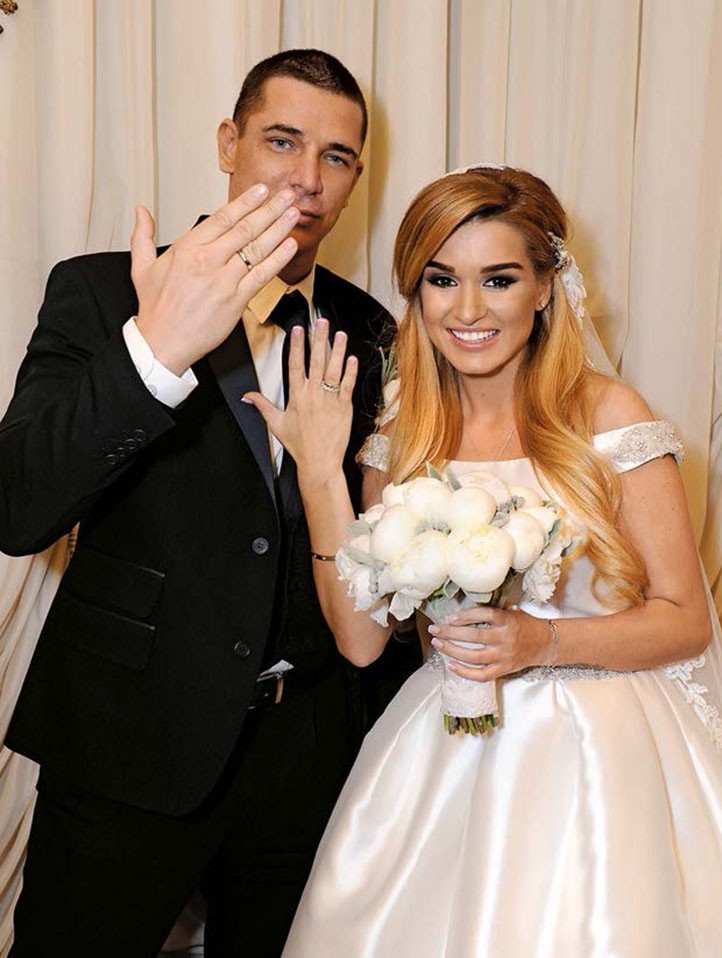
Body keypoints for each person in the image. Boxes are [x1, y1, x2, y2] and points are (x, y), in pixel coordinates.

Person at [243, 166, 722, 956]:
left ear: (544, 287)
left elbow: (685, 620)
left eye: (498, 279)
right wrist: (321, 471)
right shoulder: (402, 439)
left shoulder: (608, 415)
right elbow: (361, 643)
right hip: (443, 755)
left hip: (601, 759)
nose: (467, 309)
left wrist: (542, 642)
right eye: (442, 279)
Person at [0, 49, 411, 957]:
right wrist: (155, 351)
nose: (307, 180)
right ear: (228, 144)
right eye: (281, 141)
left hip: (308, 756)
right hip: (128, 740)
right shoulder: (101, 289)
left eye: (337, 157)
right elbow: (19, 506)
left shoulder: (374, 330)